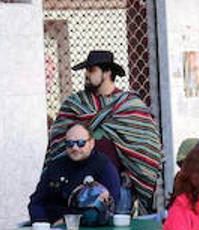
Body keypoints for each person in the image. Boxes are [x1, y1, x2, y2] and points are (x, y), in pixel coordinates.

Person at [46, 50, 163, 211]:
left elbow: (147, 148)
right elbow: (58, 145)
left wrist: (131, 174)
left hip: (118, 188)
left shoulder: (130, 106)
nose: (86, 74)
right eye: (86, 70)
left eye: (91, 70)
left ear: (107, 72)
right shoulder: (74, 104)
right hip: (76, 186)